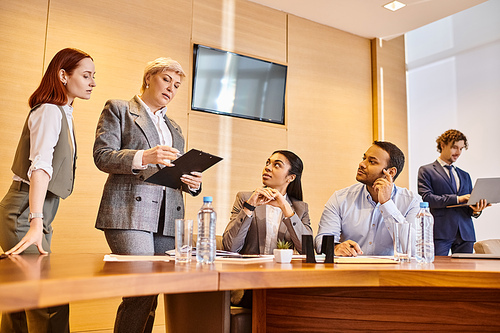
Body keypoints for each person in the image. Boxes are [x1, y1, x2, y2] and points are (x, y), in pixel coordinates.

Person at [93, 57, 202, 333]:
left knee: (153, 292)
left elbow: (174, 173)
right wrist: (144, 156)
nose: (171, 89)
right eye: (166, 80)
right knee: (140, 291)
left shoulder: (175, 128)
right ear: (148, 78)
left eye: (176, 85)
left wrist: (192, 182)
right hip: (129, 213)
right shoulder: (119, 109)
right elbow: (102, 156)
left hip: (168, 218)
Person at [0, 48, 96, 333]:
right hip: (23, 212)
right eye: (86, 75)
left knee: (20, 299)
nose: (92, 82)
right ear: (63, 75)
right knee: (48, 299)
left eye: (94, 76)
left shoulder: (63, 112)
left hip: (32, 212)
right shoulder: (49, 111)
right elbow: (40, 167)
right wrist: (35, 219)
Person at [315, 141, 421, 257]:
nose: (362, 164)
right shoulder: (340, 198)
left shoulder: (412, 202)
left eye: (372, 162)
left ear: (390, 172)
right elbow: (322, 241)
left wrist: (387, 204)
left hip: (392, 272)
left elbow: (415, 250)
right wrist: (336, 247)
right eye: (364, 158)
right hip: (350, 271)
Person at [223, 150, 312, 255]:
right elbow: (230, 247)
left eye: (277, 165)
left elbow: (308, 250)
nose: (267, 168)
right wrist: (249, 207)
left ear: (290, 177)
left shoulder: (301, 208)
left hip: (283, 270)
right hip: (250, 269)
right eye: (267, 163)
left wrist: (285, 208)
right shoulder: (245, 198)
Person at [417, 129, 490, 256]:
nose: (458, 152)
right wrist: (458, 199)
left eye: (461, 149)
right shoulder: (426, 171)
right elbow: (428, 199)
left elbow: (468, 206)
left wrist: (476, 209)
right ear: (442, 145)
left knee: (465, 274)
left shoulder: (465, 175)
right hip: (440, 232)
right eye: (455, 147)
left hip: (465, 233)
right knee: (438, 271)